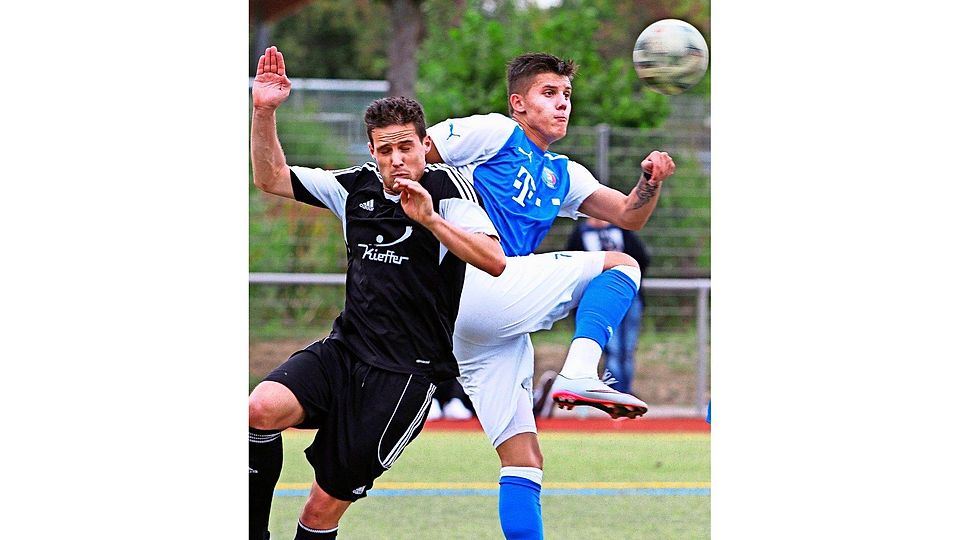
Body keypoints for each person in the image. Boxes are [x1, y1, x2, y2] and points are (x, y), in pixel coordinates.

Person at [248, 46, 505, 540]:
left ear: (425, 145)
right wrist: (264, 112)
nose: (397, 159)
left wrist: (428, 218)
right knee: (259, 408)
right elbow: (271, 178)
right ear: (372, 152)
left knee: (321, 509)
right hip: (345, 350)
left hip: (404, 375)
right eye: (385, 150)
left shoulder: (451, 191)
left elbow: (493, 260)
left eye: (406, 147)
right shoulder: (354, 188)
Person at [424, 52, 676, 538]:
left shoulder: (564, 173)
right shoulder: (495, 132)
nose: (562, 104)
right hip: (474, 283)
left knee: (523, 459)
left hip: (483, 321)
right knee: (621, 265)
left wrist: (649, 182)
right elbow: (416, 152)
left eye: (566, 95)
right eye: (549, 93)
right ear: (518, 103)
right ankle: (580, 371)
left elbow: (628, 215)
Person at [566, 217, 651, 395]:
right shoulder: (580, 234)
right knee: (612, 348)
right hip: (599, 298)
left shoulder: (621, 230)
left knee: (627, 348)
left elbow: (642, 257)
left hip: (629, 296)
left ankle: (625, 390)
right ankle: (614, 390)